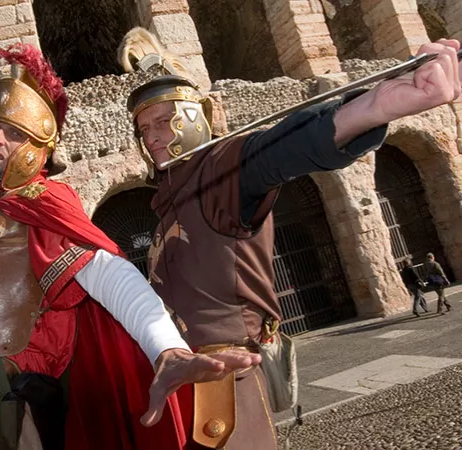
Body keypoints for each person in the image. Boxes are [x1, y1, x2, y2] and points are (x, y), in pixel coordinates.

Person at [0, 43, 260, 450]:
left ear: (40, 150)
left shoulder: (43, 201)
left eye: (14, 133)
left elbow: (109, 270)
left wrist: (166, 349)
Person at [119, 27, 462, 449]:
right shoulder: (167, 204)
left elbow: (278, 149)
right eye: (143, 129)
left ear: (192, 119)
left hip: (227, 382)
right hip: (180, 382)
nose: (152, 136)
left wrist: (376, 105)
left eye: (162, 121)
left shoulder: (221, 173)